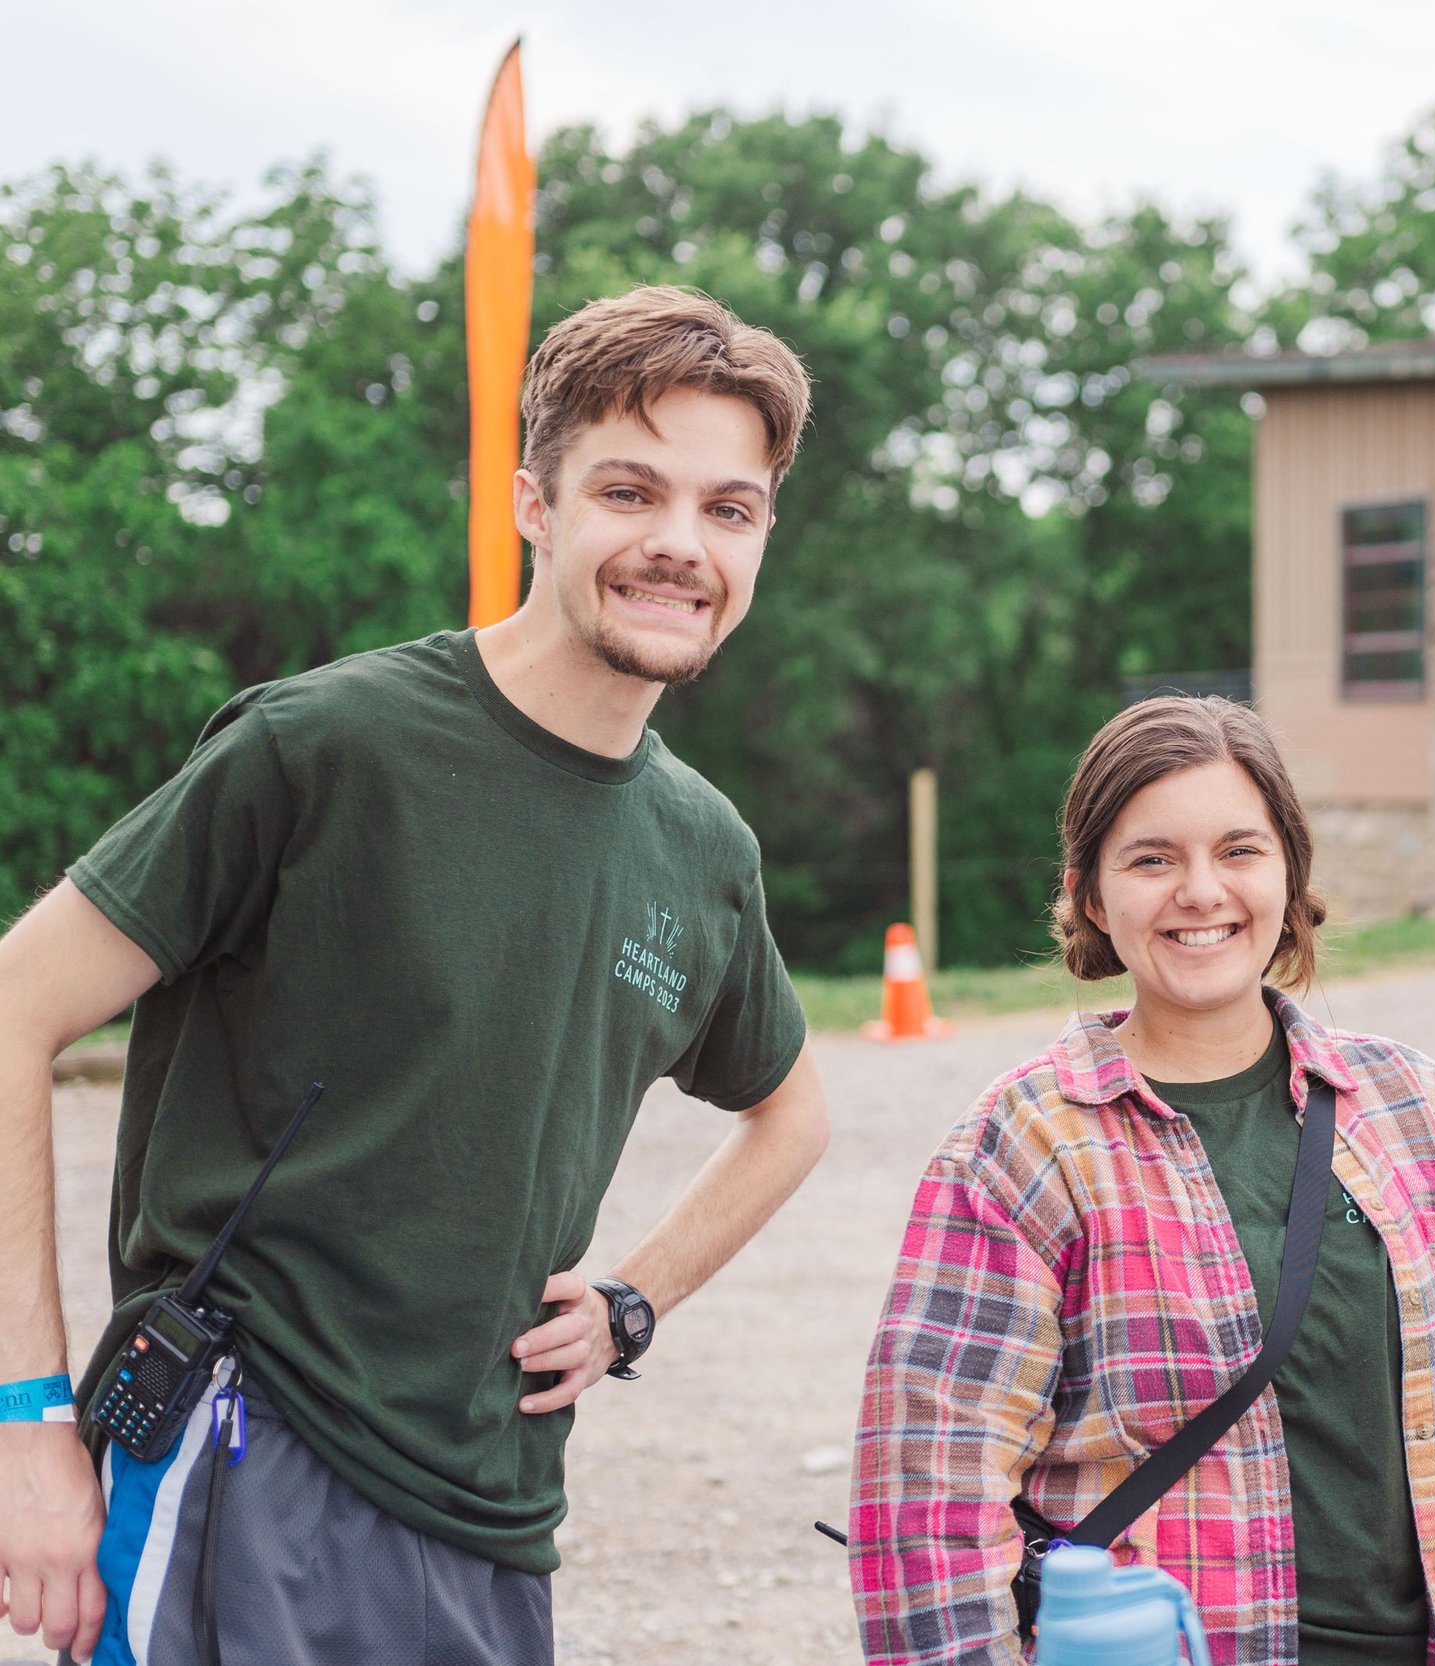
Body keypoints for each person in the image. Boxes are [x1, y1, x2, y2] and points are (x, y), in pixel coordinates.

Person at [0, 285, 833, 1666]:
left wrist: (635, 1299)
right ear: (534, 503)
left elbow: (792, 1112)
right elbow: (15, 1004)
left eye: (729, 509)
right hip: (251, 1463)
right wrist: (29, 1422)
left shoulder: (701, 848)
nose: (681, 545)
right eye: (633, 490)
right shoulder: (328, 748)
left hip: (497, 1518)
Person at [848, 696, 1435, 1666]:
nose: (1201, 890)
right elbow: (927, 1503)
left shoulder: (1417, 1110)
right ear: (1094, 896)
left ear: (1289, 873)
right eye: (1153, 858)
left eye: (1238, 850)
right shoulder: (1020, 1149)